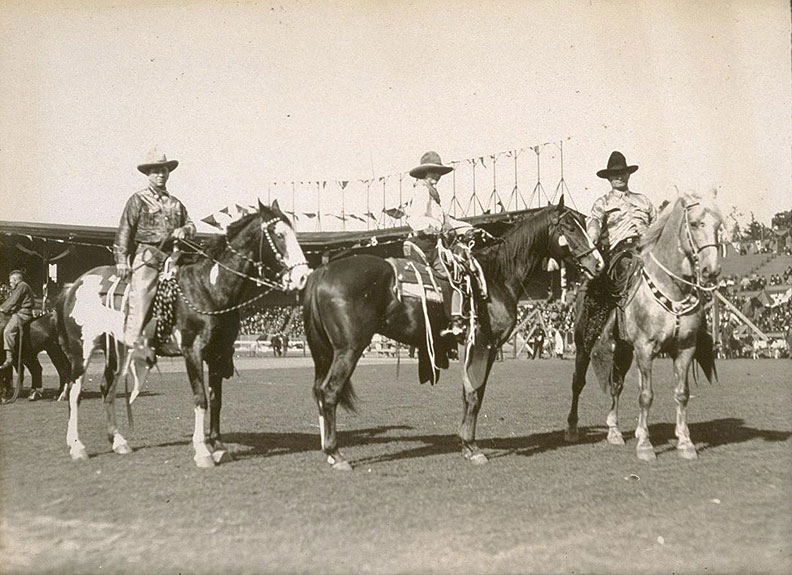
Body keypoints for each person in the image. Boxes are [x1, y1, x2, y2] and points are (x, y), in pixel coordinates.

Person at [114, 150, 196, 350]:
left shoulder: (176, 203)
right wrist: (122, 260)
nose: (160, 174)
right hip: (148, 254)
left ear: (168, 173)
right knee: (142, 293)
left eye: (164, 170)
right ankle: (131, 342)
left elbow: (192, 226)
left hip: (175, 255)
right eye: (156, 171)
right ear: (148, 174)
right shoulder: (138, 200)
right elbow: (125, 230)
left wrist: (185, 229)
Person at [587, 151, 656, 362]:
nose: (619, 177)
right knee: (626, 271)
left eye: (622, 173)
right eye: (615, 174)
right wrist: (593, 235)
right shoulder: (603, 202)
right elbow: (594, 221)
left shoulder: (643, 200)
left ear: (628, 175)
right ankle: (617, 327)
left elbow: (657, 223)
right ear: (608, 178)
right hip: (621, 252)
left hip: (648, 249)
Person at [404, 151, 474, 340]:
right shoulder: (422, 191)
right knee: (452, 276)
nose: (435, 177)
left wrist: (467, 228)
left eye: (437, 173)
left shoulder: (434, 196)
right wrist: (429, 227)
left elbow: (447, 221)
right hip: (424, 243)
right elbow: (414, 217)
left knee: (455, 273)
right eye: (432, 173)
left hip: (432, 243)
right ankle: (454, 320)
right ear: (424, 174)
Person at [0, 270, 35, 374]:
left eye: (11, 281)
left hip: (23, 314)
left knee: (7, 331)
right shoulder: (21, 287)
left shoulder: (22, 286)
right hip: (19, 312)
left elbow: (13, 301)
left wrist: (2, 308)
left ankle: (9, 357)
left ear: (15, 280)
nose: (10, 283)